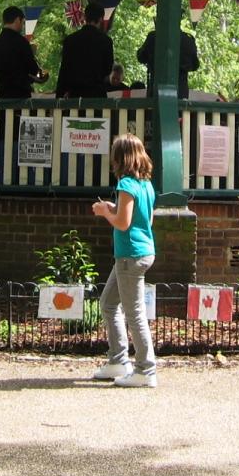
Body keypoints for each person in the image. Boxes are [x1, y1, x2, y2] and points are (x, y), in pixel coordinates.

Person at [91, 133, 157, 388]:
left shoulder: (126, 185)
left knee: (135, 314)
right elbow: (146, 221)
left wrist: (105, 212)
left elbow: (123, 222)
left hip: (130, 255)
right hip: (142, 252)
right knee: (108, 303)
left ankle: (145, 370)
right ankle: (118, 361)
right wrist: (113, 207)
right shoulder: (146, 185)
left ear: (120, 158)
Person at [55, 2, 114, 98]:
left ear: (85, 17)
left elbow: (64, 70)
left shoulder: (70, 40)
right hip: (97, 94)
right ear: (101, 19)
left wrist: (60, 94)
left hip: (75, 95)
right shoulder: (106, 41)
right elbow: (107, 69)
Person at [0, 6, 49, 98]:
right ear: (17, 20)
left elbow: (9, 71)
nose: (22, 25)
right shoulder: (22, 42)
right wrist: (43, 74)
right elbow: (33, 70)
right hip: (20, 96)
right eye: (23, 22)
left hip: (2, 95)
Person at [137, 26, 199, 100]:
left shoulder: (153, 36)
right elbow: (195, 65)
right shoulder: (188, 40)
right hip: (180, 94)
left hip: (155, 92)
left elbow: (141, 57)